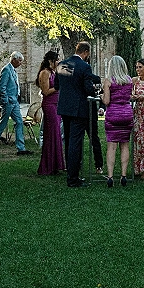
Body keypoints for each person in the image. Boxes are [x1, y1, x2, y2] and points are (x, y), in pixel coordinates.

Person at [55, 41, 96, 187]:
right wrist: (95, 91)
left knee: (68, 142)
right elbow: (88, 88)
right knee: (75, 143)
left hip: (65, 108)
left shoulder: (62, 64)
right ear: (85, 52)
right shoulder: (84, 66)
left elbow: (57, 86)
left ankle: (71, 172)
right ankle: (73, 178)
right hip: (79, 109)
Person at [0, 52, 32, 157]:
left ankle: (21, 148)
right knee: (3, 124)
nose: (20, 63)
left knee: (19, 122)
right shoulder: (6, 69)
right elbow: (2, 87)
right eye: (19, 61)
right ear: (14, 59)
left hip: (14, 101)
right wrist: (6, 101)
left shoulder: (13, 70)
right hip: (9, 102)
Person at [103, 55, 134, 187]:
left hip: (113, 114)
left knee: (112, 146)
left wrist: (101, 96)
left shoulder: (109, 81)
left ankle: (110, 176)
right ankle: (123, 175)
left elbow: (107, 101)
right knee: (125, 145)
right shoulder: (129, 80)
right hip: (127, 113)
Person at [36, 51, 65, 176]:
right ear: (51, 61)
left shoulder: (54, 72)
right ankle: (47, 165)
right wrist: (58, 87)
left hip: (57, 105)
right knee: (51, 134)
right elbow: (46, 91)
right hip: (49, 105)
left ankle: (55, 165)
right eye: (57, 60)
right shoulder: (44, 73)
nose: (58, 62)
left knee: (56, 134)